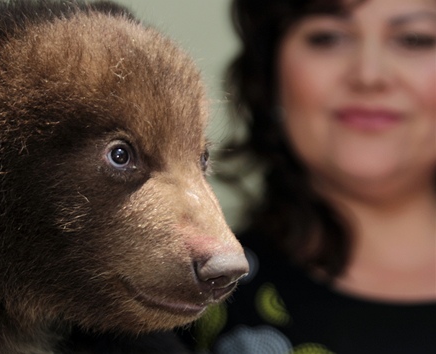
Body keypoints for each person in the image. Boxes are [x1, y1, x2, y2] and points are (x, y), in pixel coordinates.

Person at [183, 0, 436, 353]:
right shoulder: (194, 296)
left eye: (414, 39)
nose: (369, 75)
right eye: (327, 38)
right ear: (270, 72)